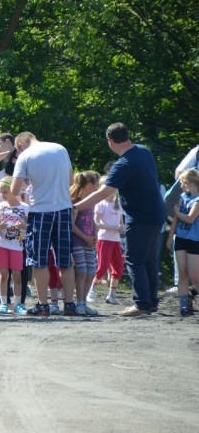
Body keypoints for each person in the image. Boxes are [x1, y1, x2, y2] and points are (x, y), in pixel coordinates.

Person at [73, 123, 167, 316]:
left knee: (134, 260)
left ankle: (141, 304)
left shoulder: (123, 164)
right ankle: (151, 302)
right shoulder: (144, 151)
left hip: (140, 217)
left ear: (110, 141)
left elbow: (102, 193)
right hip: (157, 213)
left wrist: (74, 207)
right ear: (127, 136)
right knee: (149, 260)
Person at [11, 131, 78, 316]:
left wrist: (29, 184)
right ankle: (70, 304)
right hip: (64, 208)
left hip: (40, 211)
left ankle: (43, 305)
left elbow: (14, 190)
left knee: (39, 261)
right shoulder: (60, 148)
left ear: (21, 144)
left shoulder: (25, 156)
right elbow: (71, 180)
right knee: (65, 259)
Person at [0, 177, 29, 314]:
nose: (3, 195)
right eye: (1, 192)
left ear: (14, 190)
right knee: (3, 275)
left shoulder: (25, 208)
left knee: (17, 275)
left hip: (17, 245)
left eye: (5, 192)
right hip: (1, 244)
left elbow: (29, 227)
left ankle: (18, 303)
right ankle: (4, 303)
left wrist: (23, 225)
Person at [70, 171, 101, 316]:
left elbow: (92, 220)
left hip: (89, 242)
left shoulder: (91, 202)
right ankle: (79, 303)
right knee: (81, 272)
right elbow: (72, 225)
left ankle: (84, 302)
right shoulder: (76, 202)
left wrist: (94, 234)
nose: (97, 189)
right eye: (96, 186)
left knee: (91, 272)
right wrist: (85, 237)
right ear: (89, 185)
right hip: (78, 242)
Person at [169, 169, 199, 316]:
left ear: (189, 183)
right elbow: (176, 219)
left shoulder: (197, 200)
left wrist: (177, 213)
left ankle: (192, 297)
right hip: (181, 238)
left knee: (195, 276)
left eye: (182, 182)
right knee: (182, 273)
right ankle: (183, 306)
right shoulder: (182, 196)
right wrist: (170, 237)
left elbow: (189, 218)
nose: (180, 185)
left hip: (195, 240)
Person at [92, 189, 124, 305]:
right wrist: (111, 227)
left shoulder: (118, 204)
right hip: (104, 239)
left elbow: (121, 223)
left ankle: (112, 295)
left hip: (116, 240)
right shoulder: (100, 204)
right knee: (102, 267)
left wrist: (120, 227)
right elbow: (95, 223)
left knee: (118, 268)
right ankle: (91, 289)